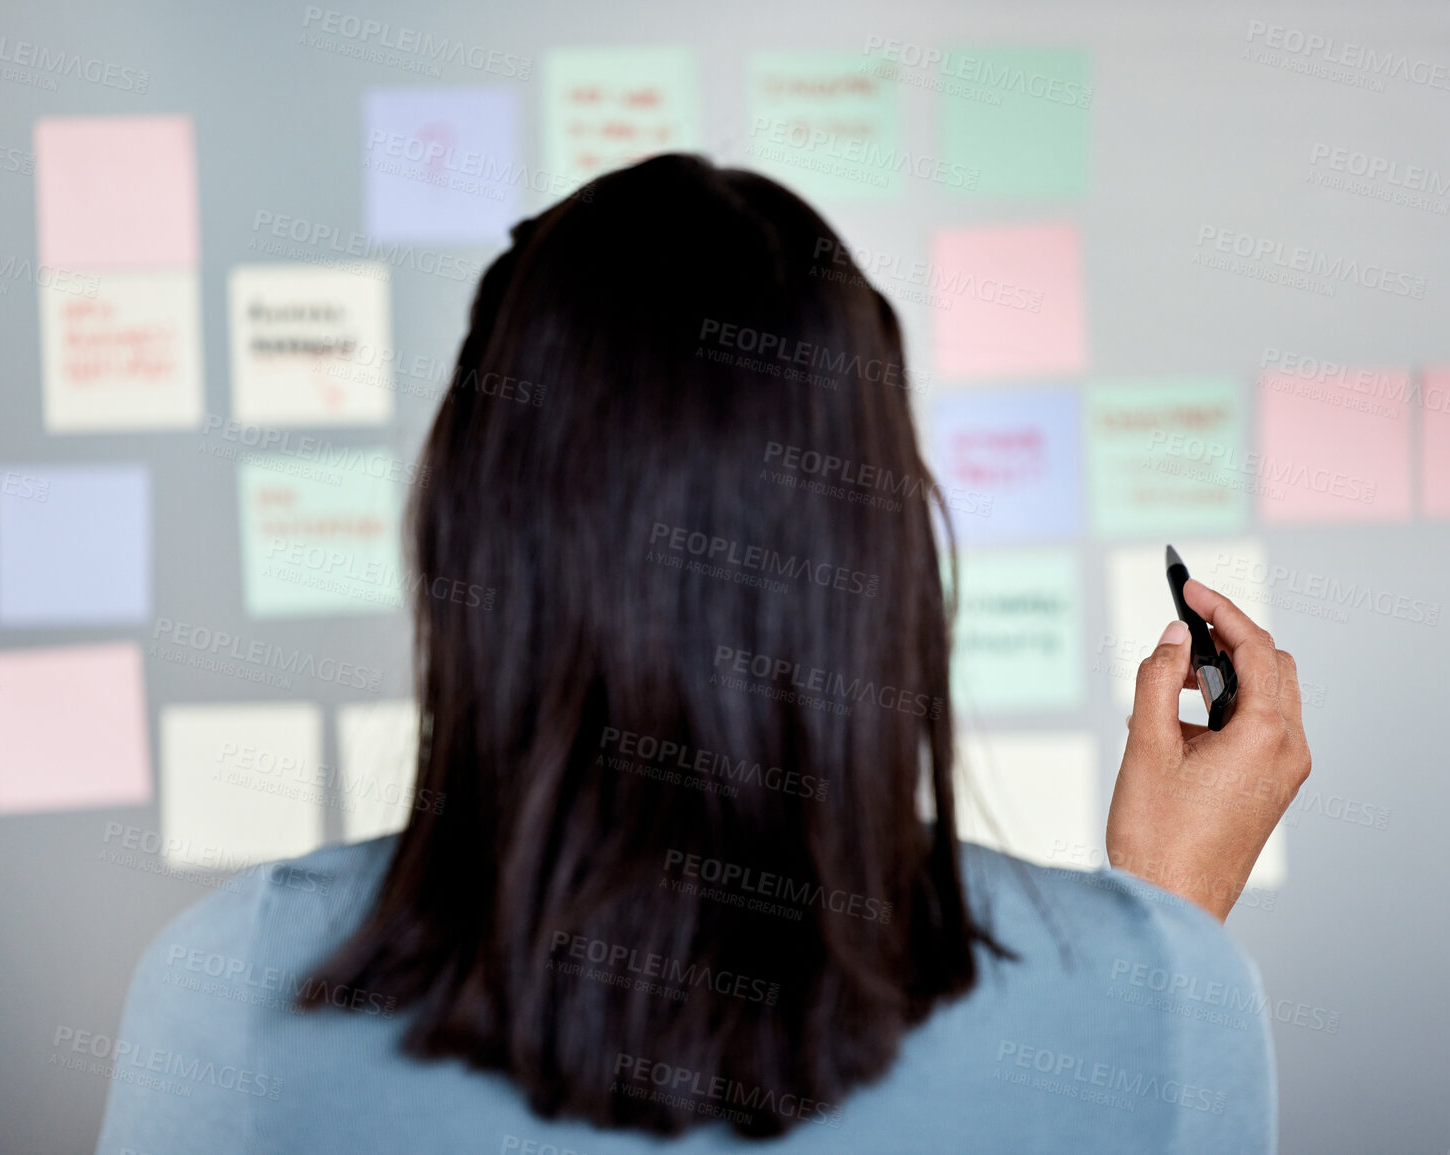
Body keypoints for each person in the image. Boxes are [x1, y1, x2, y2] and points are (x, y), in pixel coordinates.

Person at [97, 154, 1310, 1154]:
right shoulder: (1161, 1003)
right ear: (879, 551)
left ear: (469, 535)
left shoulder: (232, 991)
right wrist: (1157, 945)